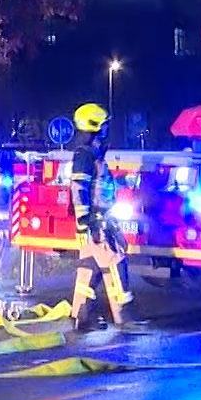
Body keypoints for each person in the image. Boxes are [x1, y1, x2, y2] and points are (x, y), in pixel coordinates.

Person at [65, 102, 132, 332]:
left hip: (95, 221)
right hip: (97, 221)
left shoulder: (92, 154)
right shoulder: (85, 155)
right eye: (103, 125)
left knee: (88, 270)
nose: (106, 129)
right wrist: (88, 221)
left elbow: (97, 185)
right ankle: (124, 316)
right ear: (94, 126)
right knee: (115, 262)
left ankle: (81, 317)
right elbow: (78, 189)